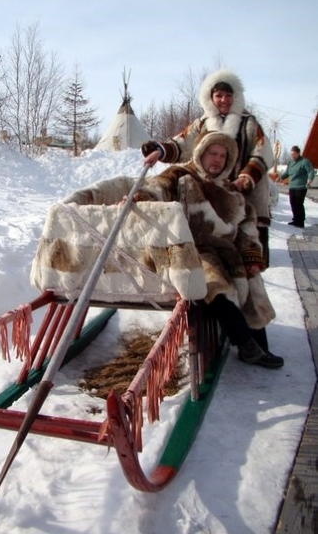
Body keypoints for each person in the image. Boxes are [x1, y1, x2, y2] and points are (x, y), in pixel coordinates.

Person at [131, 130, 284, 369]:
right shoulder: (182, 175)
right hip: (186, 249)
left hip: (224, 253)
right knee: (215, 283)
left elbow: (248, 228)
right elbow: (157, 187)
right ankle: (246, 345)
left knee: (252, 281)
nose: (217, 159)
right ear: (201, 152)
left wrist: (252, 258)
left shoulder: (232, 193)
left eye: (223, 156)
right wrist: (140, 196)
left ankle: (260, 342)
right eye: (212, 153)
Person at [141, 69, 273, 267]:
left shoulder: (249, 123)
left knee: (247, 258)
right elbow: (182, 143)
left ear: (235, 97)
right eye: (218, 95)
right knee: (213, 254)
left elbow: (263, 152)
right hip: (213, 194)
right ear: (210, 97)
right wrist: (160, 151)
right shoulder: (203, 123)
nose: (224, 100)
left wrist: (245, 179)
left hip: (245, 192)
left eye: (228, 96)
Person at [277, 145, 315, 228]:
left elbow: (310, 171)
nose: (292, 156)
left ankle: (300, 221)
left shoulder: (304, 161)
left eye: (294, 154)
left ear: (298, 153)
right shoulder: (290, 162)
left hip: (301, 187)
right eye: (292, 154)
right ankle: (295, 219)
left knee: (298, 203)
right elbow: (287, 172)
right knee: (293, 203)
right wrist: (281, 177)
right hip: (292, 186)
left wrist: (309, 180)